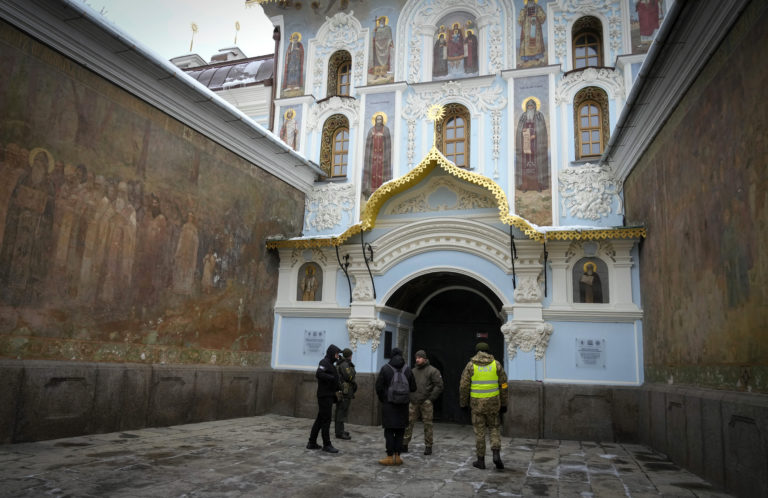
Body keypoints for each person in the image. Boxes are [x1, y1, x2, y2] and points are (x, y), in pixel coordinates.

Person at [459, 342, 508, 470]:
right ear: (488, 351)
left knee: (479, 432)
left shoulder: (470, 365)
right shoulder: (496, 364)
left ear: (477, 351)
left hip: (477, 405)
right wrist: (504, 403)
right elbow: (504, 385)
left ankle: (481, 461)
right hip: (493, 404)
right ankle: (496, 454)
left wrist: (463, 403)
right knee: (494, 428)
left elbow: (464, 386)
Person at [375, 347, 416, 465]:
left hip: (389, 405)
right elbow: (413, 387)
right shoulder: (408, 369)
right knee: (400, 431)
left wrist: (384, 398)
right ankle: (397, 457)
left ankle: (389, 456)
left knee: (389, 431)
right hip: (403, 406)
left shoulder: (385, 368)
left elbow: (378, 387)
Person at [403, 350, 443, 455]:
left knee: (428, 424)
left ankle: (428, 446)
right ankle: (404, 444)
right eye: (416, 357)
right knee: (408, 423)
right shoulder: (412, 371)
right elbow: (407, 384)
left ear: (425, 359)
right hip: (413, 401)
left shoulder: (433, 371)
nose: (417, 359)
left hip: (426, 402)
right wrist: (409, 396)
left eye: (419, 357)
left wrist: (431, 398)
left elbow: (439, 385)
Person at [307, 344, 342, 453]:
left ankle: (312, 442)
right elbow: (319, 373)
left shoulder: (331, 364)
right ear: (331, 353)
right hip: (324, 396)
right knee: (326, 420)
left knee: (320, 419)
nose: (337, 356)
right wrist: (332, 378)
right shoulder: (324, 362)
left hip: (329, 395)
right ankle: (327, 444)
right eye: (336, 354)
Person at [515, 98, 549, 192]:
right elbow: (519, 129)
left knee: (537, 163)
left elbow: (542, 130)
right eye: (529, 106)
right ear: (526, 107)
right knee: (525, 164)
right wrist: (523, 131)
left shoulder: (539, 116)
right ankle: (525, 185)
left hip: (536, 145)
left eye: (532, 106)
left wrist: (535, 135)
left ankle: (538, 185)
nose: (530, 108)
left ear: (535, 106)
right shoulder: (523, 116)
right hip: (525, 145)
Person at [362, 113, 392, 198]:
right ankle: (370, 191)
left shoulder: (386, 130)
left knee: (381, 173)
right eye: (377, 120)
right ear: (375, 121)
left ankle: (382, 189)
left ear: (382, 121)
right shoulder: (371, 130)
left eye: (380, 120)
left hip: (382, 158)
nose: (379, 121)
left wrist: (386, 156)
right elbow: (368, 145)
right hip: (373, 158)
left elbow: (388, 144)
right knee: (373, 173)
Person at [334, 348, 357, 439]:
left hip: (343, 390)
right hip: (345, 390)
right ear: (349, 355)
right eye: (351, 355)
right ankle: (339, 432)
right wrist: (352, 368)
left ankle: (340, 430)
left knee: (341, 410)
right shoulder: (345, 364)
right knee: (341, 411)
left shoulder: (342, 363)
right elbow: (350, 376)